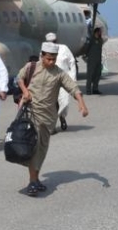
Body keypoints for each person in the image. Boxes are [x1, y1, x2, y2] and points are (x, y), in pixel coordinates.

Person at [16, 42, 89, 196]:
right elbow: (20, 78)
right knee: (34, 147)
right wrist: (25, 91)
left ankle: (35, 180)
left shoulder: (59, 74)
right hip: (32, 113)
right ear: (42, 55)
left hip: (48, 118)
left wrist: (82, 104)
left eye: (54, 59)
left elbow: (73, 88)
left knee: (42, 149)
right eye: (48, 59)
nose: (51, 62)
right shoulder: (31, 67)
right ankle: (32, 182)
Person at [44, 32, 76, 132]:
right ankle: (52, 125)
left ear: (56, 40)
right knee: (51, 103)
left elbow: (72, 62)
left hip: (64, 80)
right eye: (50, 42)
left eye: (53, 41)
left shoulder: (64, 48)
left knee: (64, 102)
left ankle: (62, 116)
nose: (52, 43)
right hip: (50, 80)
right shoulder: (44, 51)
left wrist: (73, 78)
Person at [82, 27, 105, 95]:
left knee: (97, 74)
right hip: (92, 60)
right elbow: (86, 48)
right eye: (100, 31)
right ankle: (88, 90)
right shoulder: (91, 39)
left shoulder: (100, 40)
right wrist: (86, 56)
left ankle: (95, 89)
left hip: (98, 60)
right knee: (90, 75)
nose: (101, 33)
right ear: (96, 32)